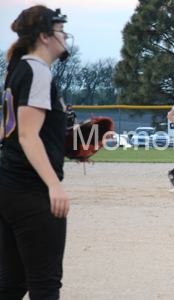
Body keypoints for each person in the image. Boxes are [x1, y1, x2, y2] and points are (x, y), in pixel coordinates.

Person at [0, 6, 72, 299]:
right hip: (31, 191)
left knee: (11, 285)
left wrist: (64, 146)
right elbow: (28, 137)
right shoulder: (37, 70)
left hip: (9, 186)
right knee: (45, 284)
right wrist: (54, 185)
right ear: (44, 36)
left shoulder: (16, 68)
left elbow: (16, 133)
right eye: (59, 29)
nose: (65, 35)